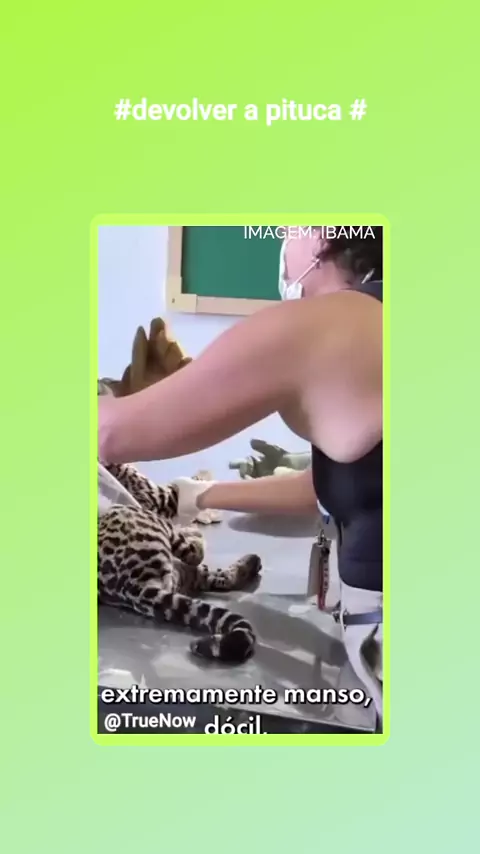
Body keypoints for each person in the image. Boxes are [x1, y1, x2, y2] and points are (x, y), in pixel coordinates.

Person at [98, 226, 383, 721]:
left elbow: (108, 435)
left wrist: (117, 396)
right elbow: (330, 487)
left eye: (291, 229)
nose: (283, 240)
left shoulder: (324, 324)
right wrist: (199, 496)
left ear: (322, 237)